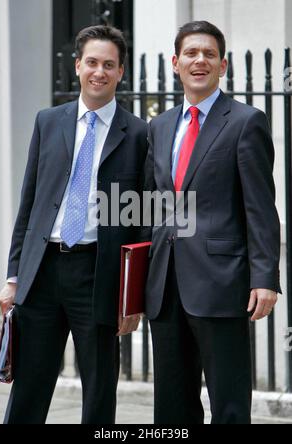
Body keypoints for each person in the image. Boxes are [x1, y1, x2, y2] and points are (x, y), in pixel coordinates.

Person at [0, 25, 148, 424]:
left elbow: (143, 222)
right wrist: (14, 275)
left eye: (109, 65)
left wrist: (132, 298)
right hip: (43, 269)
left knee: (99, 389)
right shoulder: (48, 121)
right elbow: (28, 207)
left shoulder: (139, 135)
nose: (100, 71)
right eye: (92, 62)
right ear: (78, 66)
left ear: (120, 72)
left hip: (98, 273)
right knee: (29, 385)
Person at [144, 21, 281, 424]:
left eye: (208, 54)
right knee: (171, 406)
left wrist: (265, 278)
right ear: (175, 63)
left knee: (230, 404)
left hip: (223, 283)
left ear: (223, 65)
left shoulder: (245, 121)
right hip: (165, 287)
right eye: (190, 53)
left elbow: (260, 207)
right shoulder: (160, 126)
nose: (198, 61)